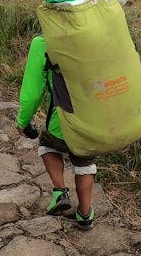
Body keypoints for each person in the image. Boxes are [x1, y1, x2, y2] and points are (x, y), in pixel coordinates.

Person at [17, 35, 97, 230]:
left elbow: (33, 92)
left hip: (60, 120)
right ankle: (85, 214)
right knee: (85, 161)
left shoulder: (43, 43)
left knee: (47, 144)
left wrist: (23, 121)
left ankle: (60, 192)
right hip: (94, 119)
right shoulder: (96, 37)